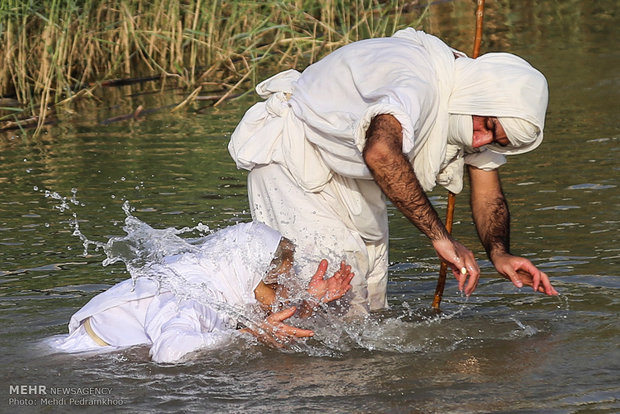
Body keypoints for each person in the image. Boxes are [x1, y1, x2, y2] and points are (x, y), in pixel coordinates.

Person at [228, 28, 558, 315]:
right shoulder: (418, 82)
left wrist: (499, 254)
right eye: (486, 126)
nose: (480, 141)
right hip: (295, 162)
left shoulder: (472, 102)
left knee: (369, 302)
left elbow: (488, 191)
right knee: (329, 303)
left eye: (495, 142)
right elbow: (382, 153)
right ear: (480, 96)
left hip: (353, 177)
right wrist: (440, 238)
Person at [51, 221, 354, 363]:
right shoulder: (198, 293)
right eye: (276, 285)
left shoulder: (212, 271)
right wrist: (246, 336)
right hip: (85, 360)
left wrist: (308, 305)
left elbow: (259, 316)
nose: (281, 296)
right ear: (249, 274)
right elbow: (169, 352)